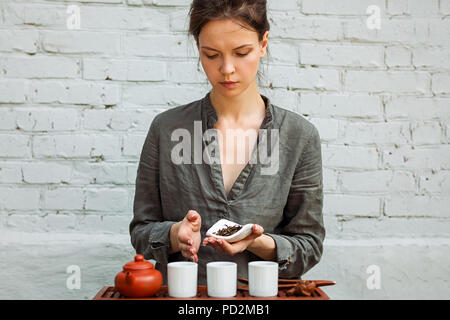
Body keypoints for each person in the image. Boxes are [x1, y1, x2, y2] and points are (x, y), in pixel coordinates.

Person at [130, 0, 325, 285]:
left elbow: (309, 246)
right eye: (211, 55)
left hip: (261, 299)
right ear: (198, 49)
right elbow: (141, 233)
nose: (227, 69)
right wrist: (175, 235)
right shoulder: (166, 129)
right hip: (184, 297)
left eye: (241, 52)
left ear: (263, 43)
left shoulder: (299, 136)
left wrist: (256, 242)